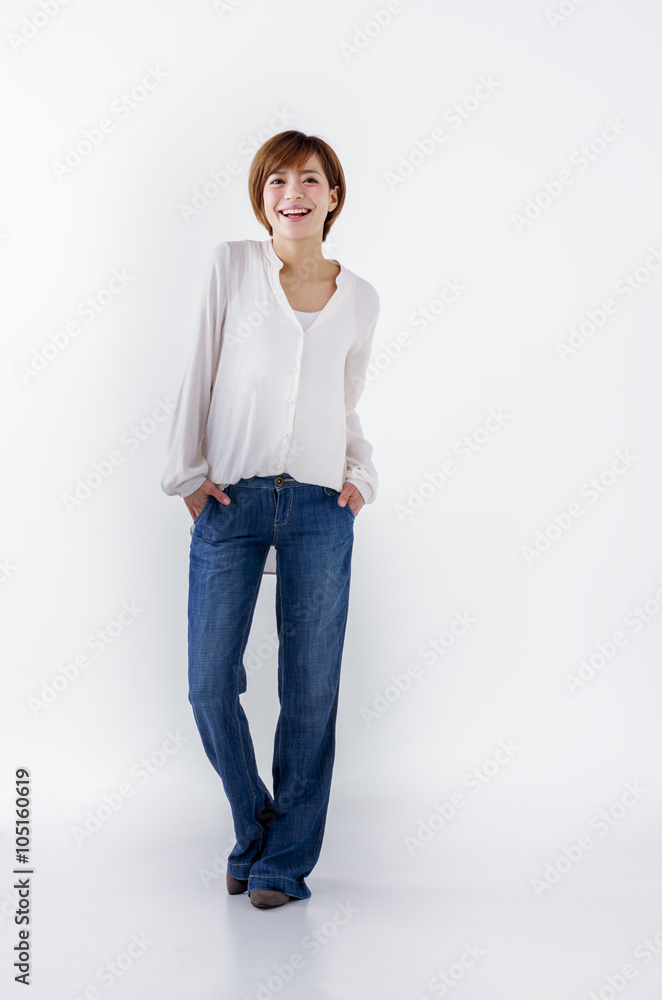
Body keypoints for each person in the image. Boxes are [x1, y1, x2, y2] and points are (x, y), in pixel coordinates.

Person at [161, 129, 380, 909]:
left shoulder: (360, 298)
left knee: (311, 692)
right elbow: (198, 370)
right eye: (277, 180)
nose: (294, 193)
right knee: (208, 683)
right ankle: (257, 825)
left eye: (310, 179)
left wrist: (360, 475)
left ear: (333, 195)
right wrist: (186, 475)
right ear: (262, 196)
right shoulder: (232, 267)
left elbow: (344, 403)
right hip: (233, 499)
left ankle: (282, 862)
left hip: (321, 506)